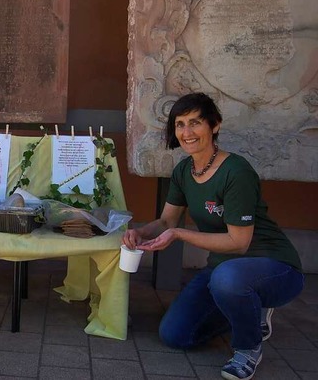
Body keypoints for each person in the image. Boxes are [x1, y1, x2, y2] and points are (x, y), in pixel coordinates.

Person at [123, 93, 304, 380]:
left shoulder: (236, 172)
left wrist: (180, 234)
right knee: (174, 334)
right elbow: (167, 220)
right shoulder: (184, 170)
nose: (186, 132)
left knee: (228, 279)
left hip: (273, 267)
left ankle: (248, 347)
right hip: (223, 268)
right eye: (180, 124)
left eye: (195, 122)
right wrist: (139, 232)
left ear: (214, 125)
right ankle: (249, 310)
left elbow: (239, 243)